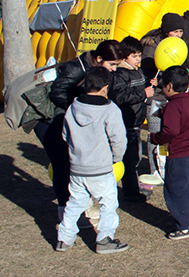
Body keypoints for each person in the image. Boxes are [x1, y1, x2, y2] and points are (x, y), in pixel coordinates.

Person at [46, 40, 125, 221]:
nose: (114, 69)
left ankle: (82, 209)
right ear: (98, 59)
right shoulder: (76, 69)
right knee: (63, 166)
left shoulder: (100, 72)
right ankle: (66, 213)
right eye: (112, 64)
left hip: (76, 117)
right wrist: (79, 109)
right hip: (57, 120)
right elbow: (57, 91)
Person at [56, 67, 130, 254]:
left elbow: (65, 135)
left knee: (75, 203)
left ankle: (64, 239)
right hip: (101, 169)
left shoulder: (73, 107)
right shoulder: (110, 110)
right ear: (105, 88)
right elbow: (119, 138)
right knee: (108, 204)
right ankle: (104, 239)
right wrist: (116, 158)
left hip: (77, 168)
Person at [149, 66, 189, 240]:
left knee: (175, 190)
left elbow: (170, 131)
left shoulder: (173, 106)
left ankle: (185, 226)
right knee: (187, 189)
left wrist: (156, 138)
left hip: (178, 154)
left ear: (169, 87)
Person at [109, 36, 154, 202]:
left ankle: (132, 189)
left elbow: (138, 90)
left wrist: (149, 85)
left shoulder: (138, 71)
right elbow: (119, 97)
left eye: (139, 56)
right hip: (125, 123)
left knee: (133, 158)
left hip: (136, 122)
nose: (138, 59)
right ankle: (131, 192)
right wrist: (143, 94)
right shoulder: (120, 74)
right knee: (129, 160)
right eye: (134, 56)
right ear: (125, 56)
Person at [141, 13, 186, 80]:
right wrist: (161, 81)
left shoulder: (180, 44)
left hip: (172, 84)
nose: (179, 35)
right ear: (167, 32)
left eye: (181, 31)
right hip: (156, 85)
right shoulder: (152, 43)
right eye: (175, 32)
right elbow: (147, 68)